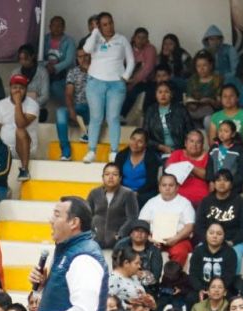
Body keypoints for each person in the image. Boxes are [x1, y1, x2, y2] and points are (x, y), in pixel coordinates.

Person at [81, 12, 133, 164]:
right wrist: (95, 32)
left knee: (113, 118)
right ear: (99, 26)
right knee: (96, 118)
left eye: (110, 23)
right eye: (104, 24)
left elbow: (130, 60)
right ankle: (91, 151)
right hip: (95, 82)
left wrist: (126, 77)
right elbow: (86, 49)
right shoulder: (94, 38)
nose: (109, 26)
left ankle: (114, 151)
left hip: (116, 84)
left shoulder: (121, 39)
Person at [195, 170, 243, 265]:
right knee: (198, 254)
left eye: (225, 180)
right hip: (209, 241)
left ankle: (232, 280)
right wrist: (210, 241)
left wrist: (232, 242)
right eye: (218, 180)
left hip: (234, 243)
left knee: (235, 257)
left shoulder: (240, 202)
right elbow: (199, 226)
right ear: (214, 184)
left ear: (231, 184)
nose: (222, 183)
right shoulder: (206, 201)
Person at [139, 174, 195, 266]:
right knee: (142, 249)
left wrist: (175, 238)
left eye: (171, 185)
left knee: (179, 252)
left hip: (178, 238)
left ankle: (173, 278)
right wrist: (150, 238)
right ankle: (150, 278)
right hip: (154, 239)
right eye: (164, 185)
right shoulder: (151, 202)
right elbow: (142, 224)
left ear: (177, 187)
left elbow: (189, 226)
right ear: (159, 187)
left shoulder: (185, 203)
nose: (167, 188)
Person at [0, 75, 38, 181]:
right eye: (14, 87)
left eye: (21, 88)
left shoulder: (33, 105)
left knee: (20, 130)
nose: (17, 91)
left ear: (26, 90)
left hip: (26, 149)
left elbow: (20, 124)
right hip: (6, 148)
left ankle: (24, 170)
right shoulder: (1, 104)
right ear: (10, 89)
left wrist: (18, 103)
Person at [86, 164, 139, 250]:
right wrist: (91, 234)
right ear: (102, 177)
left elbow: (132, 218)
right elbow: (86, 216)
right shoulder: (94, 193)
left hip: (119, 243)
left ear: (120, 178)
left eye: (114, 174)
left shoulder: (128, 194)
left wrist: (120, 234)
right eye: (107, 174)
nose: (111, 177)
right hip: (95, 242)